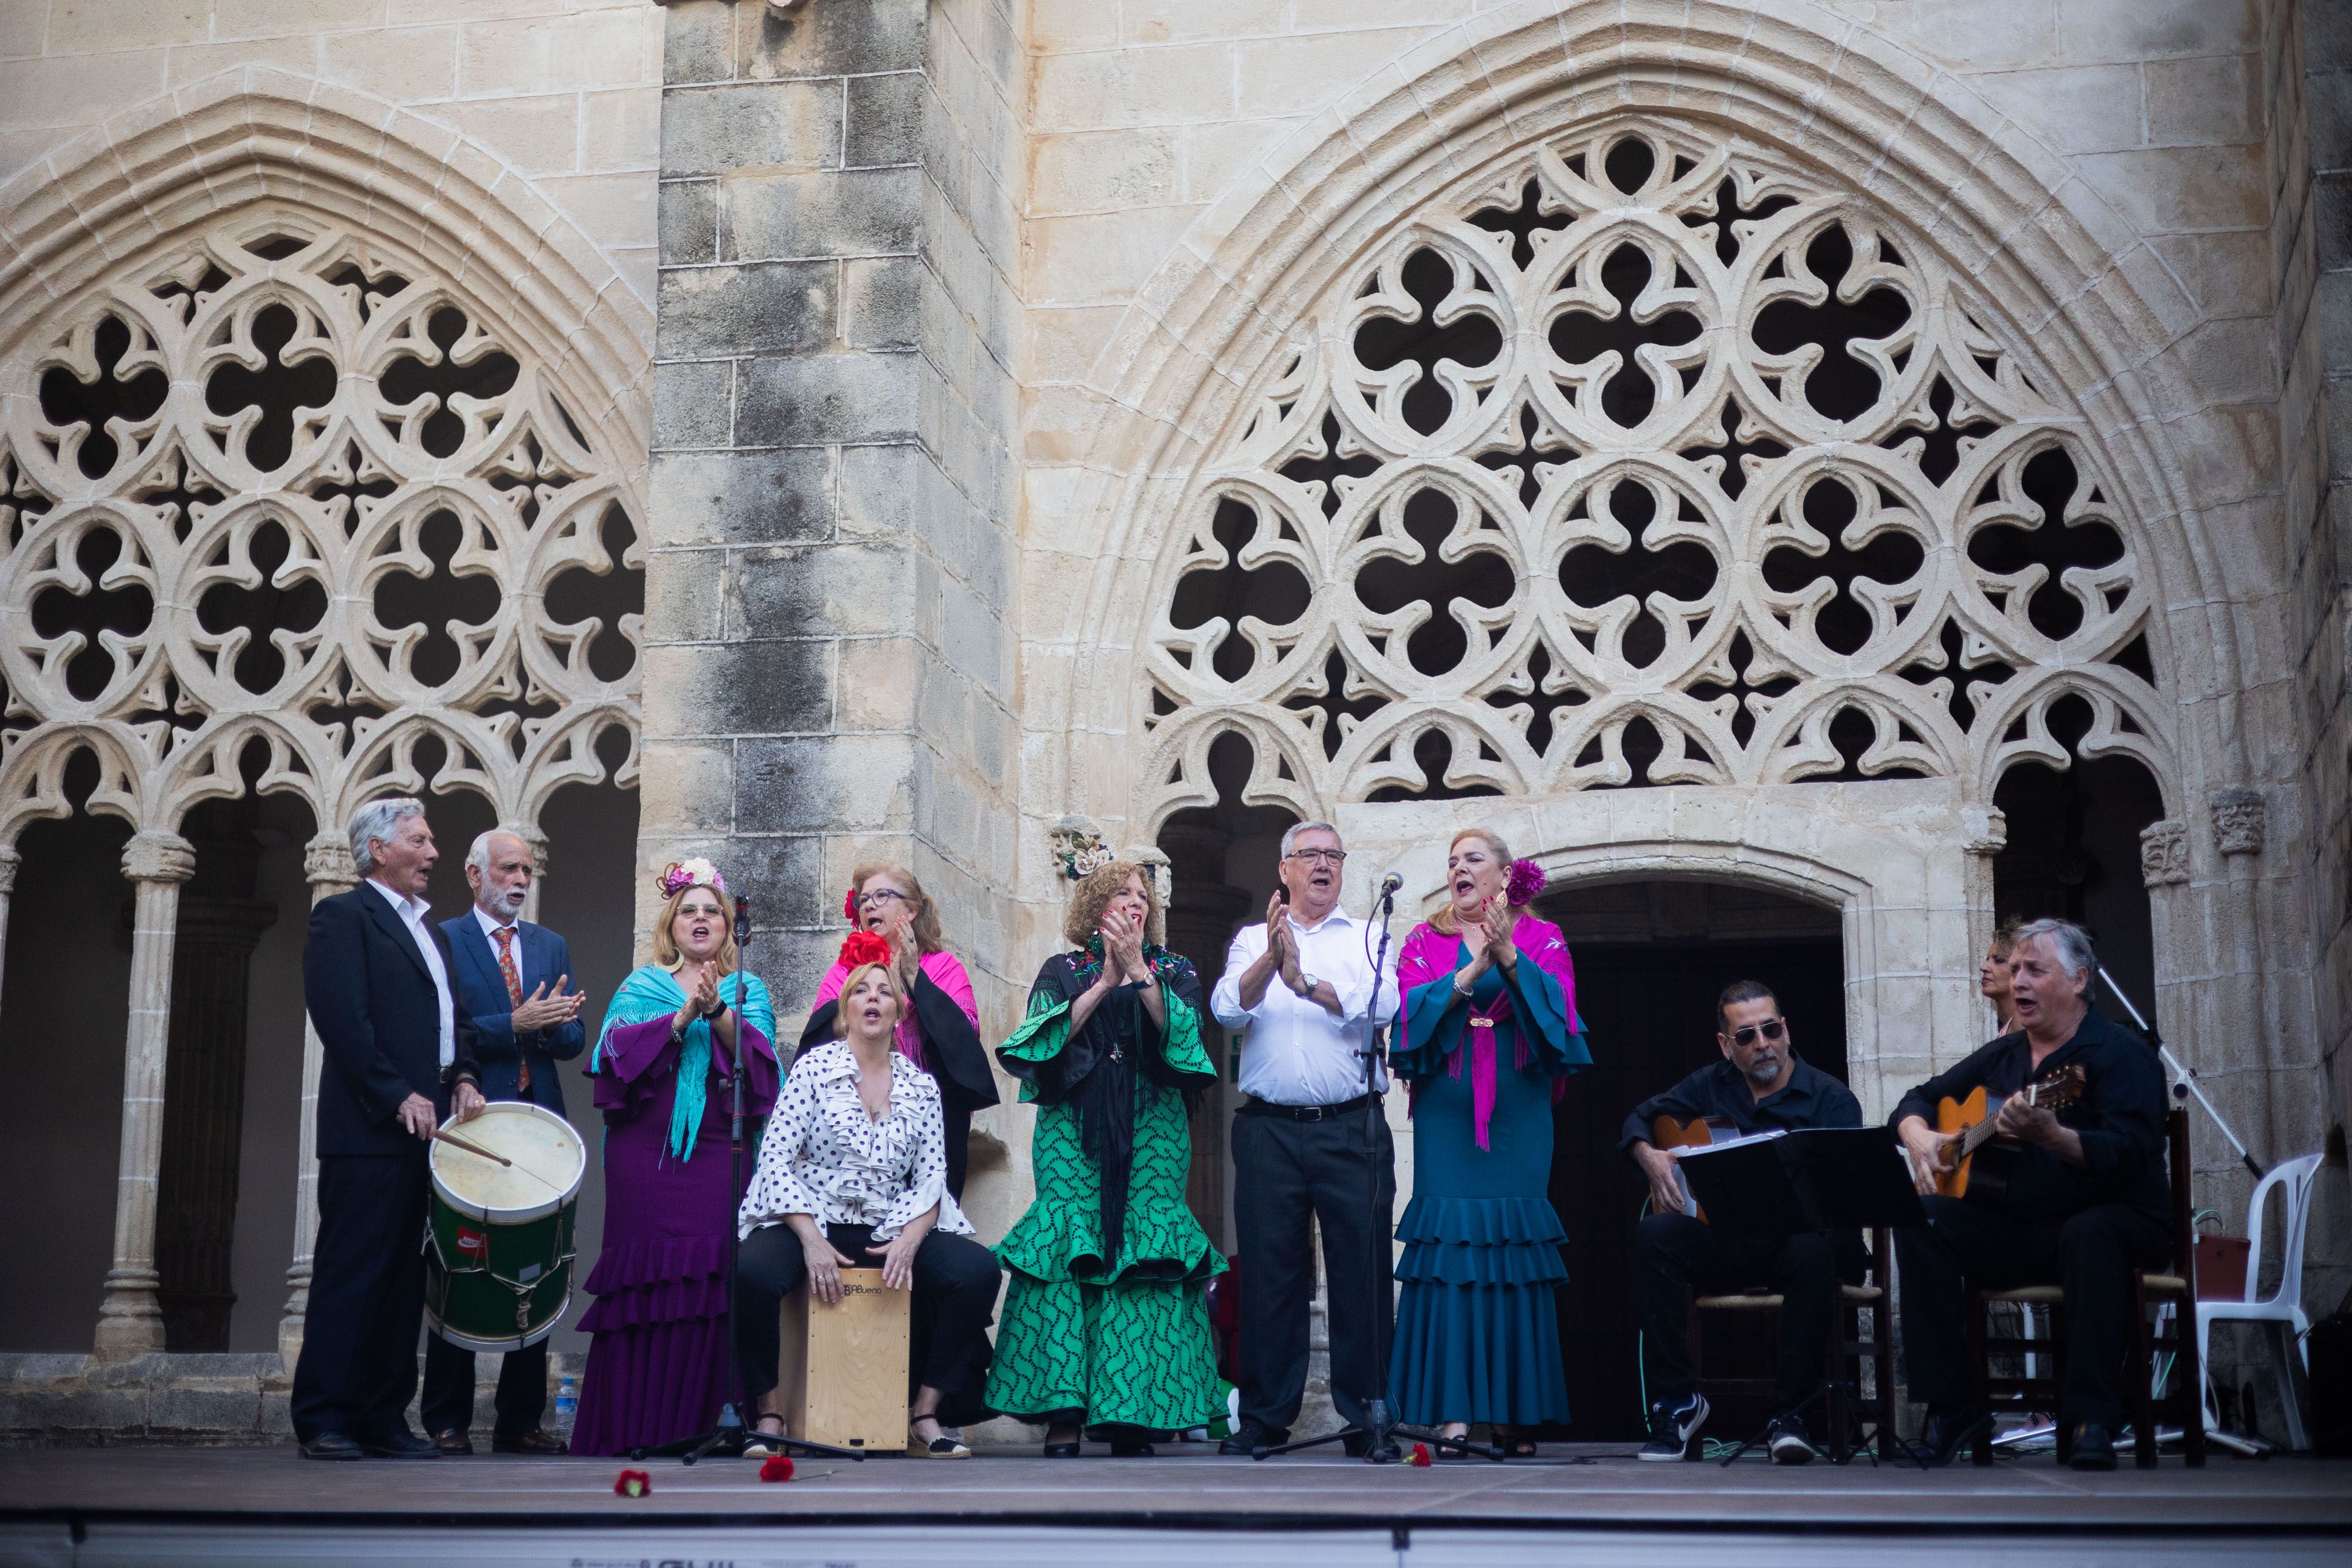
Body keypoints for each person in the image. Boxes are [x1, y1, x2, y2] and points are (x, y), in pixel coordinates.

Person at [1891, 918, 2171, 1470]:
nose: (2017, 980)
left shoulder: (2119, 1052)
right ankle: (1952, 1406)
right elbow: (1919, 1098)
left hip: (2114, 1221)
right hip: (2021, 1227)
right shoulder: (2005, 1055)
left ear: (2078, 980)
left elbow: (2134, 1150)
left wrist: (2056, 1136)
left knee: (2092, 1232)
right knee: (1922, 1216)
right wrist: (1917, 1134)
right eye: (2014, 968)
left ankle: (2092, 1416)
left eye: (2034, 970)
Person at [986, 861, 1226, 1456]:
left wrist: (1141, 975)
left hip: (1154, 1125)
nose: (1135, 902)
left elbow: (1190, 1040)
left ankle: (1131, 1413)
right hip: (1073, 1126)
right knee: (1070, 1248)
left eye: (1142, 895)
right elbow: (1037, 1044)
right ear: (1097, 906)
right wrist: (1103, 984)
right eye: (1122, 892)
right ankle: (1063, 1413)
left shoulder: (1174, 969)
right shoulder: (1062, 970)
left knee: (1143, 1255)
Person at [736, 942, 1003, 1459]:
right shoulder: (814, 1070)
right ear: (846, 1009)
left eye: (885, 991)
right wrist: (810, 1238)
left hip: (887, 1225)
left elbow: (932, 1179)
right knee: (751, 1270)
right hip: (812, 1217)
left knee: (977, 1271)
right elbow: (775, 1159)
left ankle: (924, 1413)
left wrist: (911, 1238)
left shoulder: (922, 1087)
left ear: (901, 1011)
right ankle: (769, 1413)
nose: (874, 998)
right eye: (861, 990)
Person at [292, 797, 485, 1461]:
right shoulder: (343, 917)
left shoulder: (431, 930)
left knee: (406, 1281)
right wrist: (395, 1092)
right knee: (353, 1274)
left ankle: (382, 1418)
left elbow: (451, 1019)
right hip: (370, 1129)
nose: (433, 854)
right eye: (421, 842)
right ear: (380, 849)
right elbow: (342, 1021)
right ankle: (323, 1417)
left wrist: (460, 1075)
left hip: (426, 1131)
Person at [1387, 829, 1589, 1453]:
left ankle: (1512, 1415)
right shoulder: (1427, 938)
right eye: (1451, 862)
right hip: (1449, 1110)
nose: (1458, 869)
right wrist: (1476, 964)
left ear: (1505, 875)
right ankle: (1450, 1412)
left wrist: (1508, 953)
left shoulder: (1542, 937)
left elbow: (1559, 1012)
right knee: (1450, 1253)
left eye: (1472, 859)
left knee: (1510, 1253)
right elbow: (1407, 1011)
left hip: (1517, 1107)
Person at [569, 860, 780, 1457]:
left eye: (712, 910)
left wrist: (716, 1012)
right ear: (671, 923)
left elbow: (762, 1063)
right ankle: (638, 1425)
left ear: (728, 926)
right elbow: (613, 1054)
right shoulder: (641, 985)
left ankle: (711, 1419)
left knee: (714, 1276)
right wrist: (681, 1016)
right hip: (646, 1154)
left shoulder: (747, 990)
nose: (701, 918)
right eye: (689, 909)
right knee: (645, 1276)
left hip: (720, 1148)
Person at [1209, 821, 1398, 1455]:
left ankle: (1366, 1419)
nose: (1323, 865)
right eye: (1308, 855)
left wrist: (1305, 985)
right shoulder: (1247, 940)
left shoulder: (1369, 936)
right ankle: (1264, 1420)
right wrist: (1273, 956)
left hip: (1353, 1127)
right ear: (1284, 870)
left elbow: (1382, 1005)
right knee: (1270, 1279)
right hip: (1268, 1132)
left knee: (1361, 1276)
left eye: (1332, 856)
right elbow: (1227, 1010)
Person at [1621, 980, 1863, 1464]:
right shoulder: (1709, 1084)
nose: (1762, 1043)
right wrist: (1646, 1153)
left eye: (1771, 1029)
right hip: (1729, 1244)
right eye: (1747, 1036)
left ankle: (1788, 1414)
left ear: (1786, 1029)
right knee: (1656, 1235)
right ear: (1725, 1044)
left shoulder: (1829, 1098)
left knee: (1813, 1248)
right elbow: (1640, 1119)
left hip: (1800, 1247)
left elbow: (1850, 1194)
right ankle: (1679, 1402)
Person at [420, 828, 587, 1456]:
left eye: (527, 870)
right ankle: (446, 1420)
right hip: (473, 1121)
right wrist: (512, 1024)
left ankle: (520, 1421)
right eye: (509, 869)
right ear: (473, 874)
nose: (520, 880)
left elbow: (570, 1044)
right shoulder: (445, 941)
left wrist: (558, 1026)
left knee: (535, 1266)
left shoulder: (550, 945)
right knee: (459, 1265)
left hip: (540, 1126)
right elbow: (446, 1031)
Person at [801, 863, 998, 1197]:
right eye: (863, 900)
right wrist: (873, 992)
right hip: (854, 1120)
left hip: (931, 1119)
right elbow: (817, 1045)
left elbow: (963, 1041)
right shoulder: (843, 973)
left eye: (882, 896)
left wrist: (913, 978)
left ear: (911, 910)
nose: (868, 906)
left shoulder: (943, 966)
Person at [1979, 918, 2025, 1037]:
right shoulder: (2011, 1025)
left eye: (1999, 961)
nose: (1984, 967)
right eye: (1987, 960)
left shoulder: (2025, 1024)